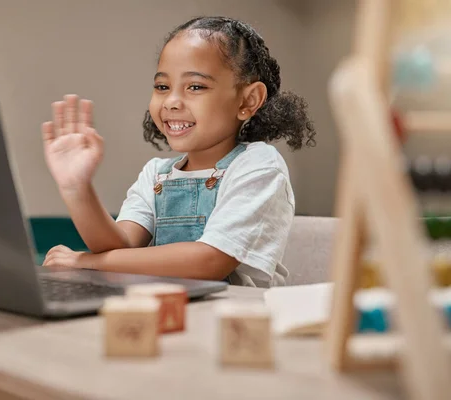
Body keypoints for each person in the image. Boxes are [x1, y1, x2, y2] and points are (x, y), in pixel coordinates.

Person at [41, 16, 316, 287]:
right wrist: (77, 188)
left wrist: (87, 262)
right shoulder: (156, 174)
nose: (171, 101)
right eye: (162, 86)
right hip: (172, 316)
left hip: (232, 323)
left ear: (248, 100)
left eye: (195, 86)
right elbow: (118, 246)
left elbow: (209, 261)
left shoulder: (259, 166)